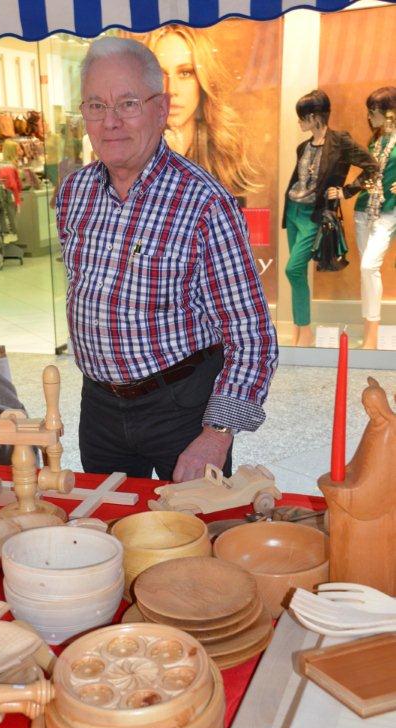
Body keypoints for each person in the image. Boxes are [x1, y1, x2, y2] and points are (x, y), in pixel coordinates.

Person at [56, 37, 278, 482]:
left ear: (160, 109)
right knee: (111, 518)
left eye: (128, 104)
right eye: (96, 106)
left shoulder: (204, 203)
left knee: (192, 520)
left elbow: (252, 336)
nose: (110, 122)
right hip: (98, 407)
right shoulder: (74, 194)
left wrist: (216, 435)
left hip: (181, 408)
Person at [282, 90, 378, 347]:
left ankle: (305, 332)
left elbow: (372, 166)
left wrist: (346, 191)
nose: (299, 122)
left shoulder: (339, 142)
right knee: (298, 275)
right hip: (293, 211)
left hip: (315, 216)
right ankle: (300, 332)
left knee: (292, 269)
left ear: (315, 117)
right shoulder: (303, 147)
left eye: (302, 117)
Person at [131, 25, 259, 196]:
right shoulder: (129, 153)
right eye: (159, 75)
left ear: (202, 81)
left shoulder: (225, 155)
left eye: (185, 73)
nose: (172, 89)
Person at [354, 87, 396, 349]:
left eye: (374, 112)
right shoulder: (376, 141)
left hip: (388, 211)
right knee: (365, 271)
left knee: (369, 267)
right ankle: (369, 334)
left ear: (389, 112)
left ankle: (372, 334)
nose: (370, 117)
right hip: (364, 210)